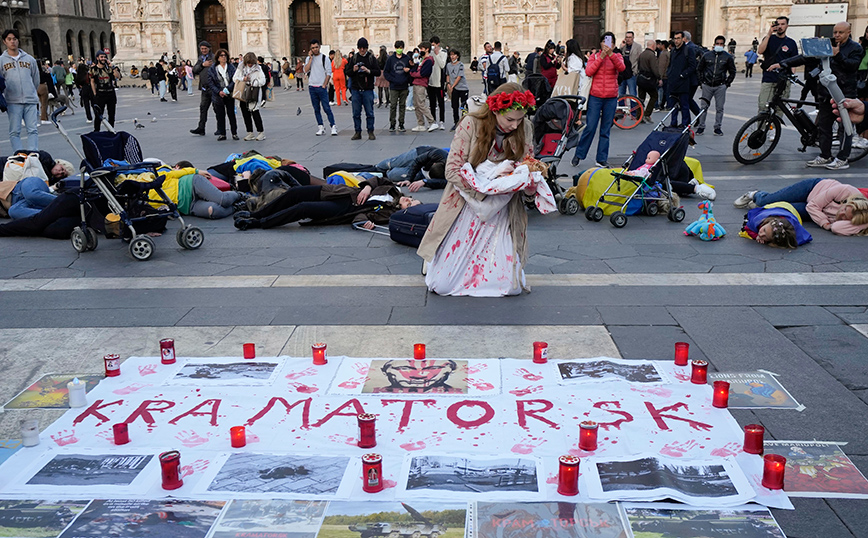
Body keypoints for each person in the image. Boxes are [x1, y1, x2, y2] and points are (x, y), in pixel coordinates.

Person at [417, 82, 537, 297]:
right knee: (443, 285)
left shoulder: (525, 128)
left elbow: (527, 165)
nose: (515, 126)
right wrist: (486, 187)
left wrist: (528, 182)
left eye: (520, 119)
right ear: (494, 110)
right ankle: (438, 260)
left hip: (503, 211)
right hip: (467, 204)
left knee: (510, 286)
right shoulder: (471, 124)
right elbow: (452, 170)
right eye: (510, 119)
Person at [772, 22, 862, 170]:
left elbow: (852, 66)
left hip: (844, 94)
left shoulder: (855, 48)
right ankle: (825, 156)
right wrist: (783, 64)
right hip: (826, 93)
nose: (837, 35)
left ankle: (842, 158)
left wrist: (838, 55)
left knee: (845, 127)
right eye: (835, 32)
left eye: (840, 32)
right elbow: (806, 57)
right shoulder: (827, 45)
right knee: (824, 126)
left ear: (849, 32)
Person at [234, 176, 419, 230]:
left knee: (303, 208)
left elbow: (363, 215)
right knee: (295, 193)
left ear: (404, 211)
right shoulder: (393, 190)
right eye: (411, 199)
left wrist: (363, 223)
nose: (408, 200)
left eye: (409, 204)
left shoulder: (388, 213)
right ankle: (256, 213)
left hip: (341, 209)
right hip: (337, 193)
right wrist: (367, 188)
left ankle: (259, 222)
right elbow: (379, 180)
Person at [734, 178, 868, 236]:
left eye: (845, 218)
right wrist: (824, 223)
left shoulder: (858, 219)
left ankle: (761, 204)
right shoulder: (846, 190)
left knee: (776, 209)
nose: (841, 215)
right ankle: (755, 194)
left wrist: (861, 225)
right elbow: (813, 206)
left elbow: (836, 228)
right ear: (847, 202)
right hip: (811, 189)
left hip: (815, 210)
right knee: (767, 201)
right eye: (844, 209)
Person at [571, 32, 625, 168]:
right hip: (596, 96)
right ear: (601, 43)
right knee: (590, 127)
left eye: (610, 42)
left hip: (611, 97)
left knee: (605, 130)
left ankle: (601, 159)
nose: (607, 45)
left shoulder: (617, 56)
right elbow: (589, 71)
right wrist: (601, 57)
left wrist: (611, 55)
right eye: (605, 42)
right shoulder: (594, 56)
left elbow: (621, 68)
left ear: (613, 44)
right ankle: (579, 154)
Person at [0, 29, 40, 152]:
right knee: (15, 131)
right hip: (13, 101)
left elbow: (35, 78)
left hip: (30, 99)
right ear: (4, 42)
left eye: (15, 39)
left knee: (32, 129)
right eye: (9, 39)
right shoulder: (1, 60)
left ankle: (33, 153)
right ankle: (19, 154)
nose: (12, 42)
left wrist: (31, 91)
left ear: (18, 41)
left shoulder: (29, 59)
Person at [756, 16, 798, 115]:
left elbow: (794, 62)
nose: (780, 26)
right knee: (763, 105)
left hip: (784, 80)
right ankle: (762, 130)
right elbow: (760, 50)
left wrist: (792, 75)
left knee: (780, 108)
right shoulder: (769, 39)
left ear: (787, 26)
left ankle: (775, 130)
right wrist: (769, 34)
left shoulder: (791, 43)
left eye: (782, 24)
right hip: (769, 78)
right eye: (778, 24)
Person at [697, 35, 736, 136]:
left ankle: (717, 127)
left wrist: (727, 84)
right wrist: (701, 82)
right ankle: (701, 126)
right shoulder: (707, 55)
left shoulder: (727, 57)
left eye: (721, 44)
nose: (719, 45)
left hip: (720, 85)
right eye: (717, 44)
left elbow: (732, 71)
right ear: (714, 44)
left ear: (724, 45)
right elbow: (699, 69)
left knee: (719, 108)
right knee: (703, 107)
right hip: (707, 84)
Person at [345, 37, 381, 141]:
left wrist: (368, 71)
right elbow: (347, 72)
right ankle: (357, 132)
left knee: (369, 112)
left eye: (364, 48)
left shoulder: (371, 58)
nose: (362, 50)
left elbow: (378, 72)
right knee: (356, 113)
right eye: (360, 48)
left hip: (367, 89)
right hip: (356, 89)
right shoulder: (354, 58)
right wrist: (354, 69)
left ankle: (371, 131)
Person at [305, 39, 337, 136]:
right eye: (313, 48)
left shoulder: (324, 58)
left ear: (319, 47)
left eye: (316, 47)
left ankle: (333, 126)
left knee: (326, 108)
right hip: (312, 87)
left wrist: (324, 84)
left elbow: (329, 72)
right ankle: (320, 126)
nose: (315, 49)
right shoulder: (308, 59)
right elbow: (306, 70)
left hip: (321, 87)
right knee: (316, 109)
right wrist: (310, 59)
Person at [377, 145, 448, 189]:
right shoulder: (439, 154)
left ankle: (385, 173)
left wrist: (425, 182)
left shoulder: (453, 173)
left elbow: (443, 183)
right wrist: (408, 179)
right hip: (419, 154)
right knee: (390, 164)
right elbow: (418, 161)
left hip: (423, 174)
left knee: (392, 175)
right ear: (434, 163)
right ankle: (376, 168)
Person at [666, 31, 696, 128]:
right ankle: (673, 122)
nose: (676, 40)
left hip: (683, 82)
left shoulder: (688, 50)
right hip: (673, 82)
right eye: (675, 38)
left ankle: (685, 123)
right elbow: (671, 65)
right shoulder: (673, 51)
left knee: (684, 105)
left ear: (683, 39)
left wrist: (683, 75)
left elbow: (692, 66)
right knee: (673, 105)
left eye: (678, 38)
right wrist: (669, 74)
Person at [234, 52, 266, 141]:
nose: (250, 65)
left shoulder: (258, 69)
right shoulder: (241, 67)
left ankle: (261, 132)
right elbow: (234, 78)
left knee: (255, 112)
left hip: (253, 92)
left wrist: (253, 83)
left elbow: (263, 80)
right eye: (248, 63)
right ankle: (250, 132)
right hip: (243, 92)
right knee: (245, 113)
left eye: (251, 63)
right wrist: (243, 79)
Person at [208, 48, 238, 141]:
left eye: (225, 55)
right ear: (217, 57)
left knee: (231, 114)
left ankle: (234, 133)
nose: (223, 57)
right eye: (221, 55)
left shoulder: (231, 67)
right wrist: (218, 91)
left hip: (229, 93)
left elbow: (235, 79)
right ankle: (222, 133)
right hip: (218, 95)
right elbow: (210, 82)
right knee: (220, 115)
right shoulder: (213, 69)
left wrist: (228, 89)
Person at [384, 40, 412, 132]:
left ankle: (401, 123)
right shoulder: (391, 59)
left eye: (401, 48)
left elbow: (411, 70)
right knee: (393, 105)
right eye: (398, 48)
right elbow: (386, 72)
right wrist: (392, 80)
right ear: (395, 48)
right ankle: (392, 123)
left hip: (404, 85)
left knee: (402, 105)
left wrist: (408, 74)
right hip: (394, 86)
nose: (399, 49)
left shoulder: (407, 58)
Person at [89, 51, 121, 132]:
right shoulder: (93, 69)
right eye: (101, 57)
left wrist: (112, 67)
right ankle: (96, 131)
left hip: (110, 93)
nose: (103, 59)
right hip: (100, 94)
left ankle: (111, 131)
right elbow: (92, 82)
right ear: (97, 58)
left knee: (111, 114)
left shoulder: (110, 69)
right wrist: (94, 93)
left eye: (104, 57)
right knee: (98, 114)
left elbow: (118, 76)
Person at [190, 41, 214, 136]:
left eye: (205, 48)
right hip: (204, 88)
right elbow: (194, 70)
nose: (203, 50)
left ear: (209, 48)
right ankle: (201, 128)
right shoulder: (201, 59)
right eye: (202, 49)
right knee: (203, 108)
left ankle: (221, 129)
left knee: (217, 109)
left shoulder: (213, 58)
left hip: (213, 87)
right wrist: (202, 65)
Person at [410, 42, 436, 132]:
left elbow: (422, 73)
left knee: (421, 104)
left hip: (421, 84)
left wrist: (411, 73)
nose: (420, 51)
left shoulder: (428, 60)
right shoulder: (422, 59)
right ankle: (420, 124)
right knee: (416, 105)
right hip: (416, 83)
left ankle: (432, 122)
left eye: (422, 49)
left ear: (427, 49)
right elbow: (417, 69)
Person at [636, 39, 660, 123]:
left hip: (641, 78)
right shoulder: (651, 55)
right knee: (654, 96)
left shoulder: (642, 54)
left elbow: (638, 66)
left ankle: (639, 116)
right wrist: (659, 77)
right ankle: (647, 114)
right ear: (653, 46)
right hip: (649, 79)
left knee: (641, 98)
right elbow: (654, 68)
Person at [446, 48, 469, 131]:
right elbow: (447, 74)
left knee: (464, 106)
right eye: (451, 55)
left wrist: (452, 86)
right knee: (454, 106)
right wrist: (448, 83)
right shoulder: (448, 65)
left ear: (458, 56)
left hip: (462, 88)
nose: (452, 56)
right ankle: (456, 122)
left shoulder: (461, 65)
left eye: (454, 55)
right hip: (454, 88)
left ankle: (464, 122)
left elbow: (459, 76)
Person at [428, 35, 448, 131]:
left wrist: (436, 54)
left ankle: (442, 121)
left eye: (434, 44)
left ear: (438, 44)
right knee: (432, 103)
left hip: (439, 81)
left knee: (441, 102)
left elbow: (442, 64)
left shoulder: (443, 52)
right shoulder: (429, 53)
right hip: (430, 81)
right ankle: (433, 121)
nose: (433, 46)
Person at [619, 31, 642, 96]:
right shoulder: (623, 47)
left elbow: (639, 59)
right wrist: (621, 47)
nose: (628, 39)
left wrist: (637, 71)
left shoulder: (638, 46)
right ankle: (621, 106)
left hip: (632, 72)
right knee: (621, 92)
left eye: (630, 37)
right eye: (627, 37)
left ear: (633, 38)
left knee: (632, 92)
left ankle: (634, 105)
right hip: (623, 72)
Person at [74, 58, 93, 123]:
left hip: (84, 89)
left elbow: (77, 84)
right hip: (90, 88)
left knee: (86, 104)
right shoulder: (87, 74)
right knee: (93, 103)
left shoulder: (78, 76)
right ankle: (97, 114)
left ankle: (89, 118)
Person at [656, 40, 670, 110]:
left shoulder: (663, 54)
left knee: (664, 91)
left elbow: (661, 66)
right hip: (667, 75)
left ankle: (661, 105)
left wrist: (660, 77)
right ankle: (664, 105)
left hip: (664, 75)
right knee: (666, 91)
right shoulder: (667, 53)